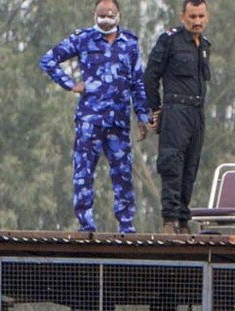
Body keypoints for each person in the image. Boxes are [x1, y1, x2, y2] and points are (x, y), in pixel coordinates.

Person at [39, 0, 150, 234]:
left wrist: (142, 114)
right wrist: (70, 84)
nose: (106, 19)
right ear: (94, 15)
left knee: (123, 174)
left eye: (110, 15)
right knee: (84, 172)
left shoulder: (129, 43)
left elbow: (138, 82)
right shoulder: (83, 39)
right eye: (101, 15)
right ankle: (85, 224)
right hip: (90, 119)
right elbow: (48, 59)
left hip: (118, 121)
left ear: (119, 15)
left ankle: (126, 226)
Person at [144, 0, 211, 235]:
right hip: (176, 111)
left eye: (201, 16)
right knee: (172, 164)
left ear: (207, 17)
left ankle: (183, 220)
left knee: (190, 167)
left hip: (197, 113)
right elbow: (150, 76)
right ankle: (170, 220)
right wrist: (155, 109)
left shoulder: (204, 45)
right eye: (192, 17)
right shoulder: (170, 40)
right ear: (183, 17)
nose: (197, 22)